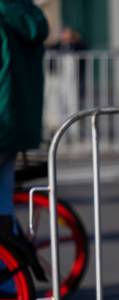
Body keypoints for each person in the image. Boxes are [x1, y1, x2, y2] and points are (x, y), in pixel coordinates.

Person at [0, 0, 49, 238]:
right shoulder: (27, 13)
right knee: (3, 205)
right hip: (20, 125)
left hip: (2, 120)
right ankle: (9, 271)